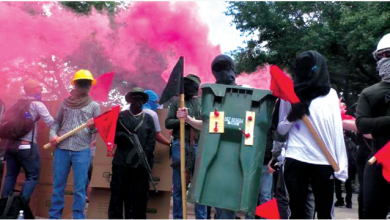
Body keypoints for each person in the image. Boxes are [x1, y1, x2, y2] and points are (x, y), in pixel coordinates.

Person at [276, 51, 348, 219]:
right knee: (297, 212)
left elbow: (337, 130)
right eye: (301, 68)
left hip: (324, 160)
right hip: (296, 157)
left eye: (310, 68)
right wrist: (291, 116)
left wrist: (341, 164)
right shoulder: (290, 94)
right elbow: (281, 130)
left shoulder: (330, 95)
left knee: (324, 212)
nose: (305, 71)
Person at [176, 55, 239, 219]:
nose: (223, 73)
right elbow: (208, 126)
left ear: (233, 69)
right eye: (219, 69)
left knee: (227, 204)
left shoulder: (243, 94)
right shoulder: (213, 97)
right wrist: (187, 119)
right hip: (215, 157)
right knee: (218, 201)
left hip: (235, 158)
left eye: (225, 68)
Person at [49, 69, 100, 219]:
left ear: (90, 86)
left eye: (87, 84)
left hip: (82, 150)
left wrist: (92, 127)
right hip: (62, 149)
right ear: (75, 84)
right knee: (58, 186)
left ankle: (78, 217)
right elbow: (56, 122)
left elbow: (97, 129)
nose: (85, 86)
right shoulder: (64, 103)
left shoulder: (94, 106)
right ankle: (54, 216)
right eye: (82, 83)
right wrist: (53, 135)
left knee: (80, 188)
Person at [1, 79, 54, 204]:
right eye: (40, 88)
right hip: (26, 145)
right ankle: (21, 207)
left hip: (10, 146)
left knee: (10, 176)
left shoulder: (16, 104)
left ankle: (4, 209)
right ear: (35, 89)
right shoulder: (37, 104)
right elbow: (51, 122)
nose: (41, 90)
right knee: (32, 176)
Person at [356, 33, 390, 219]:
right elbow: (362, 124)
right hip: (377, 158)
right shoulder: (369, 93)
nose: (385, 60)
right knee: (370, 211)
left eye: (388, 55)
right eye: (382, 56)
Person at [108, 87, 156, 219]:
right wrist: (122, 136)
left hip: (140, 165)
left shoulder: (148, 119)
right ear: (130, 100)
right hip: (121, 162)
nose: (137, 101)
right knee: (117, 194)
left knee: (139, 196)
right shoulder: (121, 116)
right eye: (135, 99)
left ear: (143, 101)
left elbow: (151, 141)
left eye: (140, 99)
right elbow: (112, 135)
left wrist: (143, 157)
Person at [165, 74, 207, 219]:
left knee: (199, 187)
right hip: (179, 145)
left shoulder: (205, 103)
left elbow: (208, 126)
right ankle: (178, 217)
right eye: (185, 84)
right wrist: (179, 119)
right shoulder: (177, 102)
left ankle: (200, 217)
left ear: (197, 87)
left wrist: (188, 120)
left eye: (190, 84)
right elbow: (167, 123)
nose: (187, 87)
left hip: (199, 146)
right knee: (178, 187)